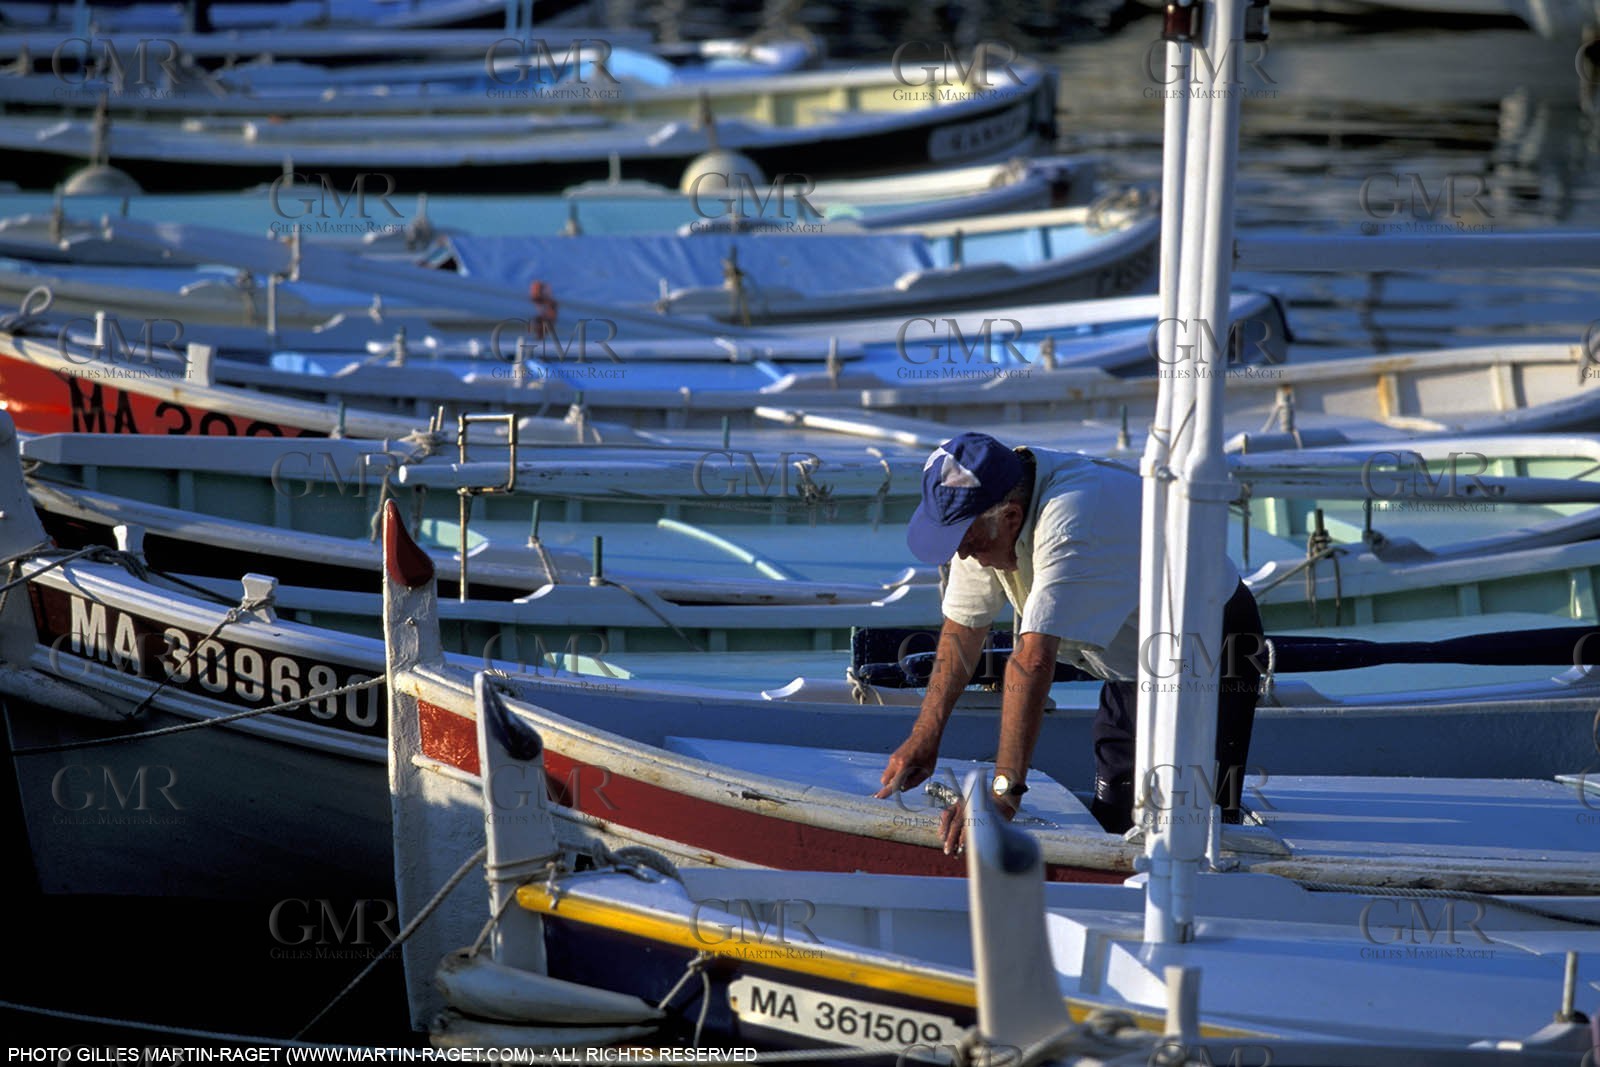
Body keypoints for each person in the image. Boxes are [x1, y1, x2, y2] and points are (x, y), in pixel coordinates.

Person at [873, 431, 1262, 853]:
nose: (965, 557)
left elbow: (1033, 660)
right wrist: (924, 738)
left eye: (969, 544)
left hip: (1211, 645)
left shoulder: (1073, 515)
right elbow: (962, 633)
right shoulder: (986, 515)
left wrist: (1003, 793)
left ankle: (1215, 899)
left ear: (1011, 519)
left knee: (1196, 823)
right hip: (1129, 659)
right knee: (1116, 814)